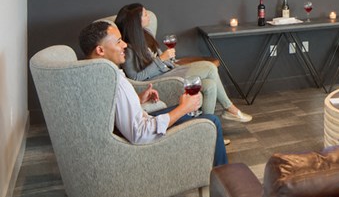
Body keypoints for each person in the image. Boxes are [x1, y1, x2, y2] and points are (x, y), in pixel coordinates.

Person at [78, 20, 228, 166]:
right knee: (211, 122)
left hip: (136, 125)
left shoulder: (92, 73)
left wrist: (136, 100)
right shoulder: (113, 79)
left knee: (199, 115)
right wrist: (183, 108)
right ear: (100, 50)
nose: (124, 45)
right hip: (142, 137)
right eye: (118, 42)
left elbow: (112, 111)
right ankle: (224, 180)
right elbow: (140, 134)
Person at [114, 3, 252, 123]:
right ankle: (230, 108)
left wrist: (167, 60)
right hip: (159, 81)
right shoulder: (128, 48)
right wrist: (161, 60)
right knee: (210, 68)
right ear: (135, 22)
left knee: (210, 85)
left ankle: (207, 130)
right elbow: (136, 78)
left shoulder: (146, 34)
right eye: (144, 14)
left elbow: (162, 59)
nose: (148, 16)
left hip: (169, 71)